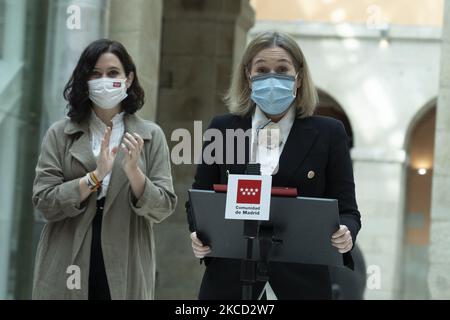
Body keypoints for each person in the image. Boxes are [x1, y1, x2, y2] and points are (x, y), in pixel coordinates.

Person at [187, 31, 361, 299]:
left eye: (282, 69)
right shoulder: (222, 129)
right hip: (230, 281)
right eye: (262, 69)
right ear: (248, 75)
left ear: (299, 77)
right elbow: (199, 200)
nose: (271, 77)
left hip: (303, 283)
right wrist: (198, 234)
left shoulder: (329, 133)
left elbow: (348, 211)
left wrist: (346, 233)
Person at [32, 39, 177, 300]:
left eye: (113, 73)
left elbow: (163, 207)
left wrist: (134, 173)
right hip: (68, 254)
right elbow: (44, 202)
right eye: (95, 74)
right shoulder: (60, 133)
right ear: (84, 81)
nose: (104, 81)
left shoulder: (151, 135)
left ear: (128, 78)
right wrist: (94, 177)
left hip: (126, 255)